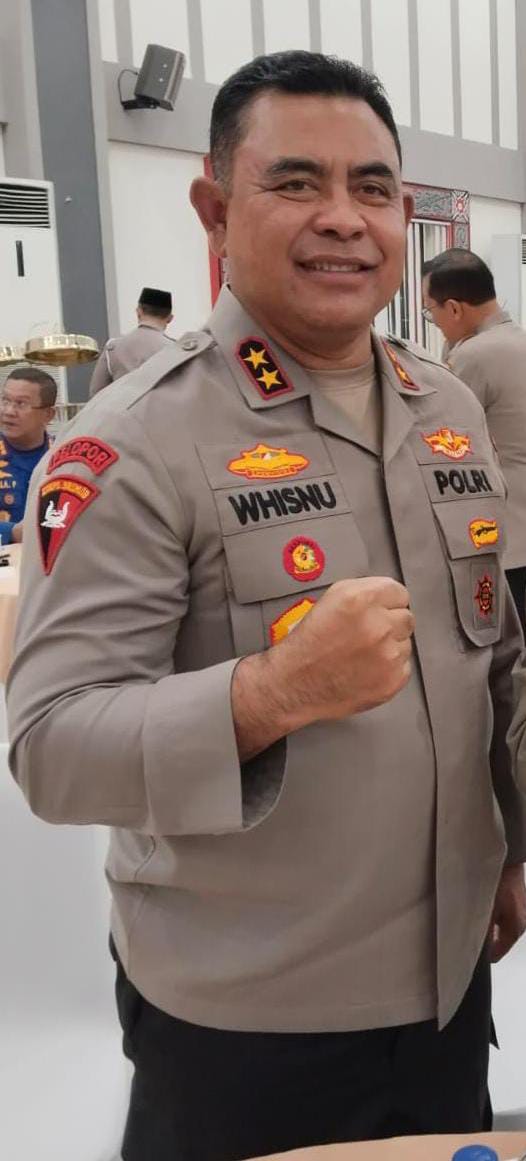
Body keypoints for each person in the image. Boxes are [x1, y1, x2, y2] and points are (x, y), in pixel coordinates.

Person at [7, 51, 526, 1161]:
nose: (342, 217)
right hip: (245, 1028)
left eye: (371, 188)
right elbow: (50, 745)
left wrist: (513, 843)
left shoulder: (445, 407)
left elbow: (490, 663)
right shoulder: (133, 441)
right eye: (296, 182)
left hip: (449, 991)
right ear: (214, 209)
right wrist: (268, 694)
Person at [422, 249, 526, 633]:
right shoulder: (516, 340)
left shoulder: (474, 356)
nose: (433, 322)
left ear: (453, 308)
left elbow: (435, 437)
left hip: (505, 537)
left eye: (429, 312)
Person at [0, 366, 56, 544]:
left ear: (48, 415)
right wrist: (11, 533)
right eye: (5, 401)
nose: (8, 411)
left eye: (21, 404)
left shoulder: (63, 459)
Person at [88, 286, 174, 396]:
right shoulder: (175, 350)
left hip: (122, 407)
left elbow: (96, 394)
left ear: (139, 312)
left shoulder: (113, 347)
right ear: (170, 318)